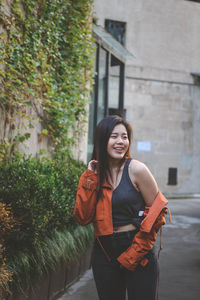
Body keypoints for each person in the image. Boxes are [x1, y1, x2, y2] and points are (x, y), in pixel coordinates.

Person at [73, 115, 169, 300]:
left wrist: (134, 252)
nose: (120, 142)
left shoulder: (137, 169)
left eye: (124, 137)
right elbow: (83, 217)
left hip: (137, 246)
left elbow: (157, 213)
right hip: (104, 250)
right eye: (114, 136)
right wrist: (90, 179)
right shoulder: (93, 175)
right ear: (102, 140)